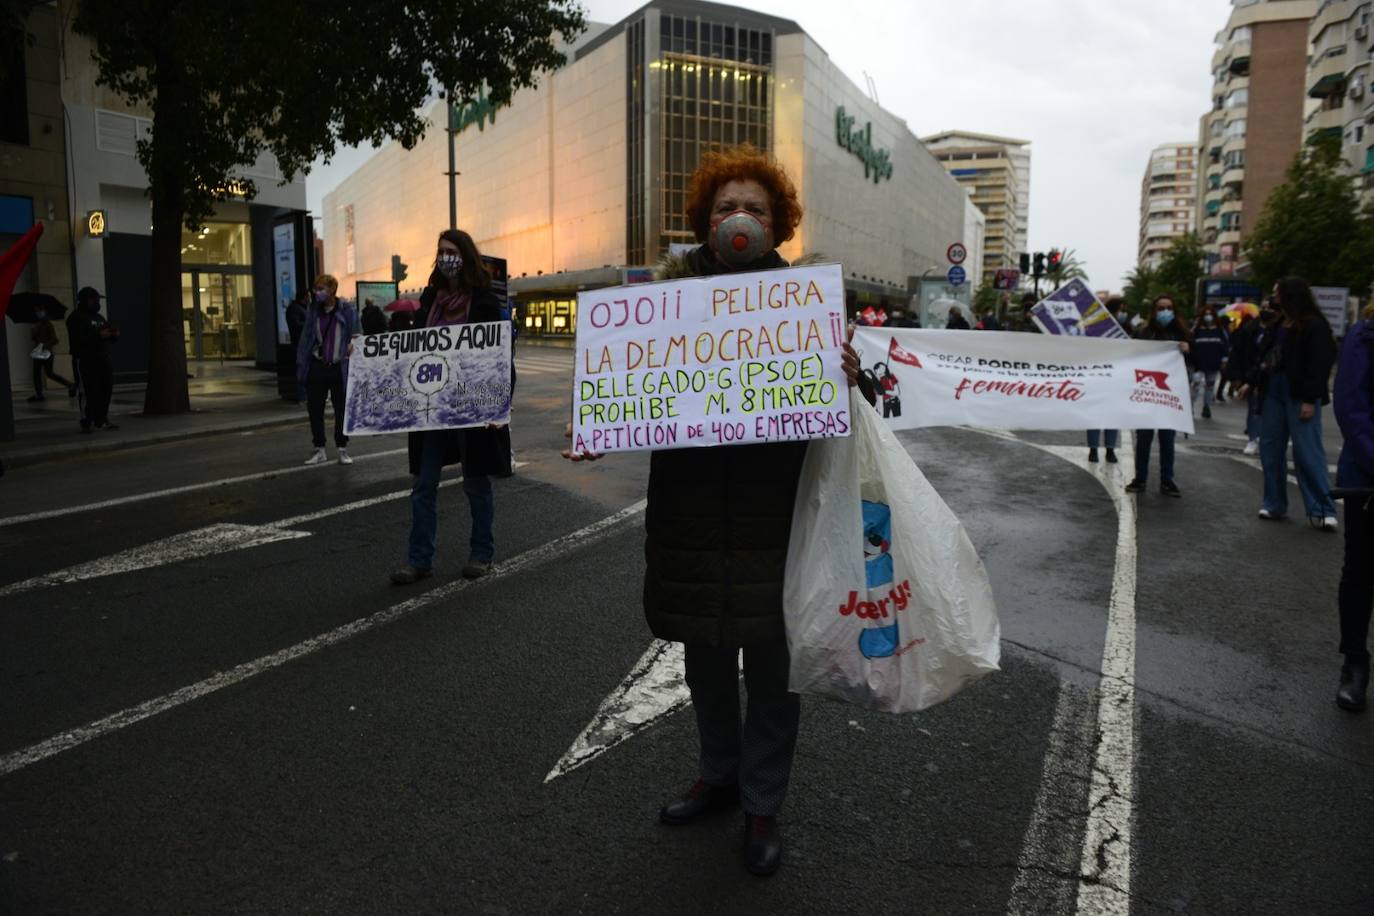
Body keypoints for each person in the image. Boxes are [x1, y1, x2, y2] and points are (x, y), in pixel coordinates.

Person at [563, 145, 873, 878]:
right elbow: (628, 390)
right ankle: (719, 776)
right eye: (727, 207)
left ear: (779, 224)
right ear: (706, 220)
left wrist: (844, 379)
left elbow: (833, 419)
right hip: (692, 521)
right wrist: (595, 420)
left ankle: (763, 804)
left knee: (772, 671)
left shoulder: (804, 305)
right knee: (704, 661)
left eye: (756, 209)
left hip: (776, 519)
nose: (741, 219)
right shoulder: (659, 306)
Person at [390, 229, 510, 586]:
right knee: (423, 486)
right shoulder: (430, 300)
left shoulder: (484, 300)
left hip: (470, 408)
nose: (446, 257)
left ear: (466, 256)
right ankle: (419, 560)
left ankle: (482, 553)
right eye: (441, 251)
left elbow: (499, 354)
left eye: (452, 251)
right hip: (431, 408)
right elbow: (411, 348)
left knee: (475, 484)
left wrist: (498, 406)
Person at [1245, 277, 1339, 529]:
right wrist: (1251, 382)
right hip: (1273, 391)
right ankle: (1274, 504)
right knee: (1270, 448)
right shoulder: (1278, 325)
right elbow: (1266, 357)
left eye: (1277, 293)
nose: (1273, 298)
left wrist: (1310, 399)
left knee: (1308, 452)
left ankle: (1323, 509)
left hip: (1299, 393)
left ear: (1289, 295)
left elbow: (1319, 365)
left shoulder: (1314, 326)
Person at [1333, 301, 1374, 710]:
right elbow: (1352, 408)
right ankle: (1355, 662)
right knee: (1361, 572)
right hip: (1368, 479)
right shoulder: (1364, 337)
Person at [1126, 295, 1191, 497]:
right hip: (1147, 393)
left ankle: (1167, 479)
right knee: (1144, 437)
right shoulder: (1144, 333)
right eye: (1161, 308)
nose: (1165, 312)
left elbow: (1198, 359)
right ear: (1154, 311)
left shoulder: (1182, 333)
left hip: (1170, 393)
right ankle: (1140, 478)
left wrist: (1188, 350)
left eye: (1169, 308)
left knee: (1167, 438)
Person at [295, 274, 359, 465]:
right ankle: (319, 449)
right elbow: (306, 339)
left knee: (341, 409)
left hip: (339, 367)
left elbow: (357, 335)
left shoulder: (347, 310)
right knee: (315, 408)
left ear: (332, 290)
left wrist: (353, 345)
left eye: (321, 288)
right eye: (316, 289)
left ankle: (342, 448)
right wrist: (301, 364)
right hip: (318, 365)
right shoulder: (313, 311)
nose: (317, 293)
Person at [66, 286, 119, 433]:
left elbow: (107, 334)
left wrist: (113, 334)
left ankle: (101, 419)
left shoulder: (99, 318)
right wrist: (98, 336)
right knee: (88, 391)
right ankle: (86, 421)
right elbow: (77, 340)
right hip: (85, 360)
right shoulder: (75, 318)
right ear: (85, 300)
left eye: (97, 300)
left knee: (106, 389)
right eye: (93, 300)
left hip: (103, 358)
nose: (96, 303)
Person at [1226, 308, 1272, 455]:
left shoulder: (1278, 330)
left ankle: (1266, 439)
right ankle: (1253, 439)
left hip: (1271, 377)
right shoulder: (1248, 330)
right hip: (1253, 376)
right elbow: (1238, 353)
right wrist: (1237, 376)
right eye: (1264, 307)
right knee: (1254, 409)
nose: (1267, 310)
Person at [1190, 304, 1229, 420]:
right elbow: (1190, 344)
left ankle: (1206, 406)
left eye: (1210, 314)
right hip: (1198, 364)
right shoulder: (1196, 330)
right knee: (1195, 385)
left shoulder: (1220, 330)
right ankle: (1190, 407)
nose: (1208, 317)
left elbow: (1225, 346)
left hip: (1213, 363)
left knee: (1209, 386)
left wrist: (1224, 360)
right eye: (1206, 314)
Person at [28, 317, 75, 402]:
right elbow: (33, 338)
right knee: (36, 374)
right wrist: (34, 330)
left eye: (40, 310)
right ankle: (39, 394)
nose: (39, 313)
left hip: (46, 352)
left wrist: (45, 345)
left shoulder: (48, 325)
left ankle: (70, 384)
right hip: (38, 352)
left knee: (49, 373)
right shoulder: (36, 325)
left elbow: (55, 339)